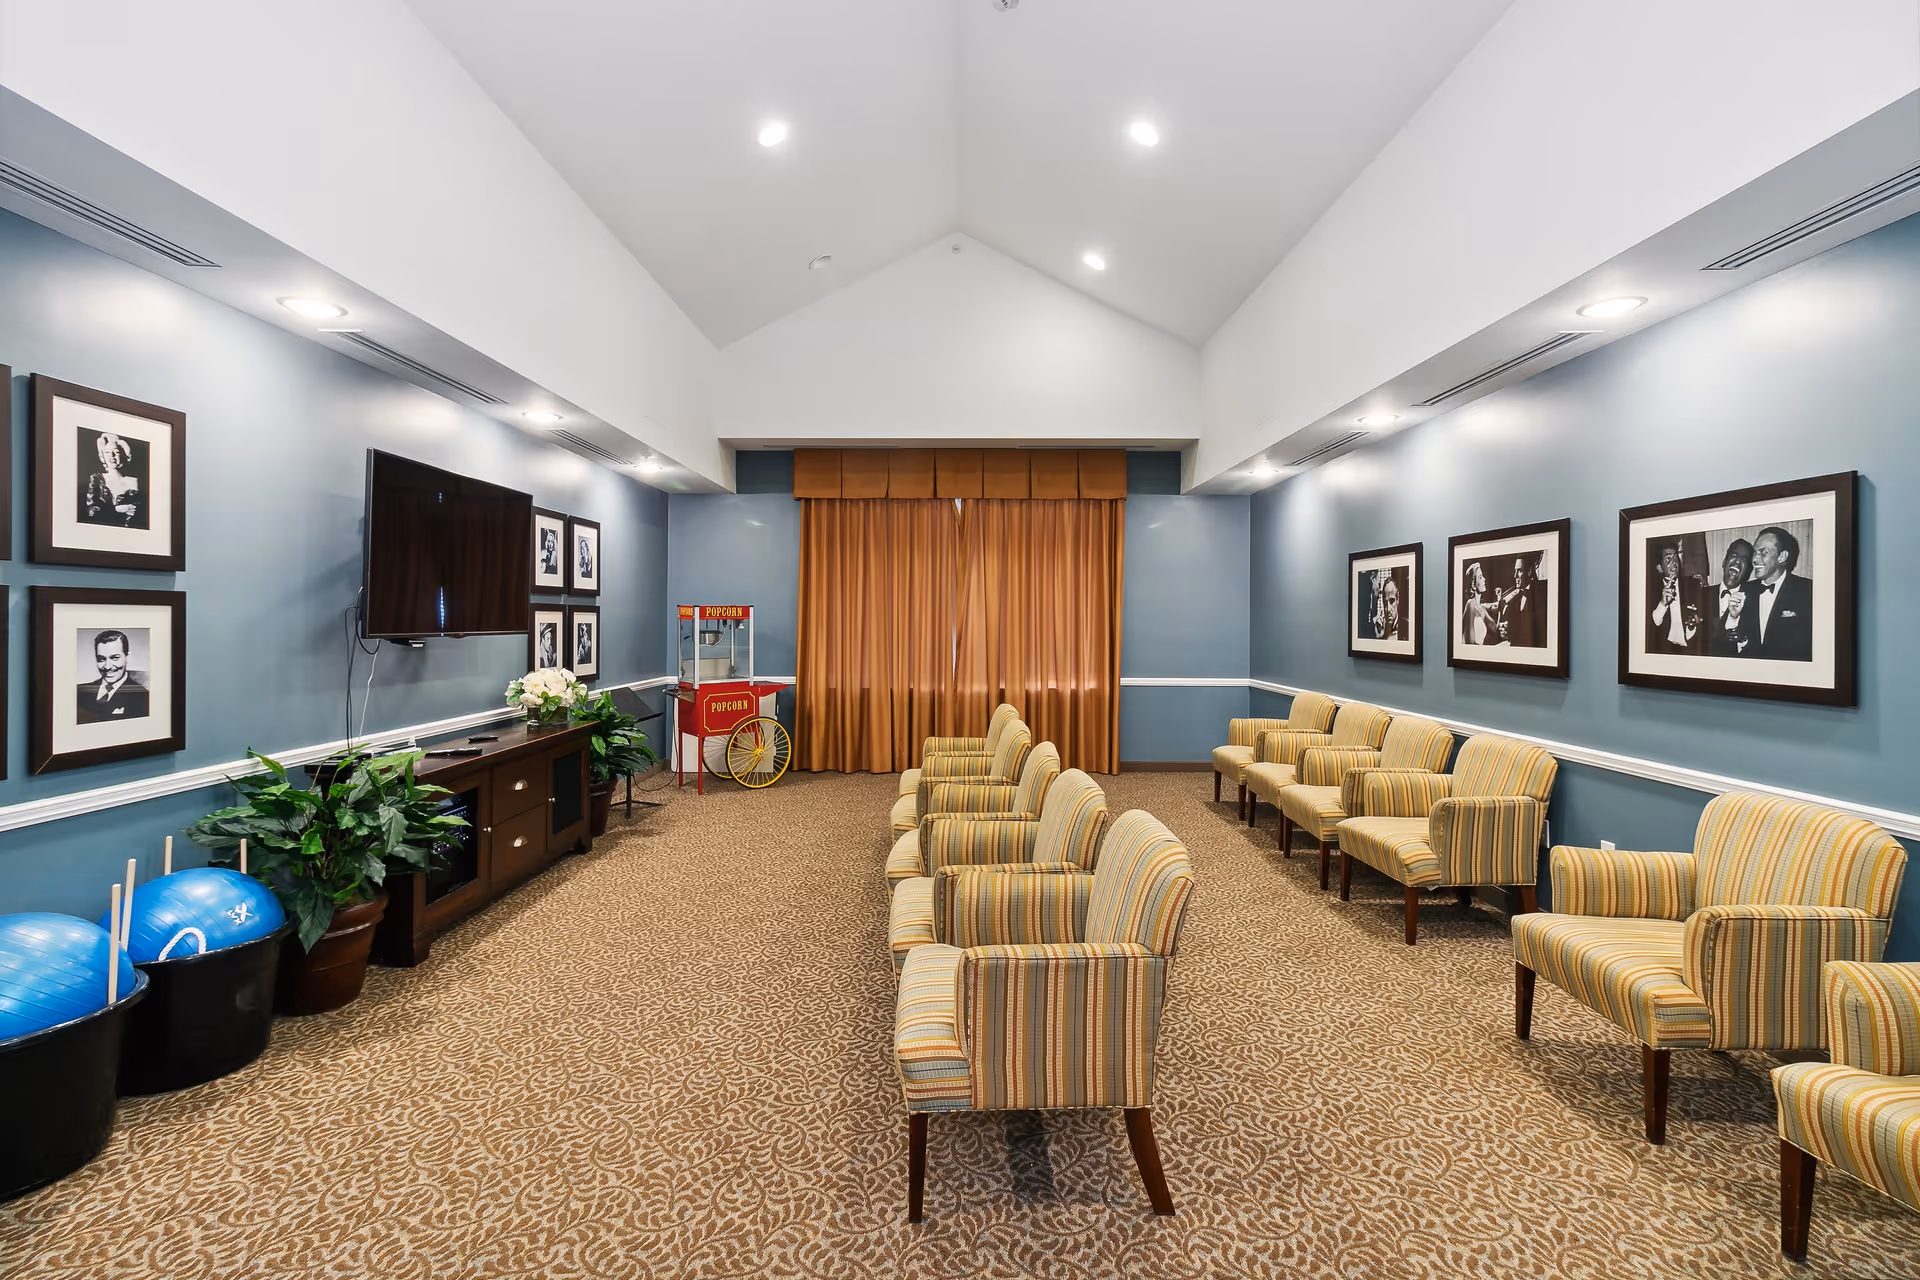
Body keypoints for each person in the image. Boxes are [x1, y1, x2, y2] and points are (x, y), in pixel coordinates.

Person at [1744, 526, 1813, 661]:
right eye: (1754, 552)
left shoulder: (1808, 591)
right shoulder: (1745, 590)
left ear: (1782, 556)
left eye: (1763, 552)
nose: (1755, 559)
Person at [76, 630, 150, 723]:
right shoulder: (78, 692)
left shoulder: (144, 698)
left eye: (115, 658)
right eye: (101, 659)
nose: (107, 666)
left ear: (128, 657)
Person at [79, 431, 146, 528]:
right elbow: (90, 512)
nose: (112, 455)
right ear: (102, 456)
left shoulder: (133, 481)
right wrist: (117, 509)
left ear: (124, 455)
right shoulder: (97, 479)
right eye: (107, 452)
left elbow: (140, 515)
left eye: (116, 452)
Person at [1647, 544, 1705, 654]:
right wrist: (1662, 604)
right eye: (1668, 558)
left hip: (1691, 648)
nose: (1674, 562)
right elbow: (1652, 626)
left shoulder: (1693, 584)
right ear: (1659, 568)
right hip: (1665, 650)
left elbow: (1702, 621)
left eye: (1675, 557)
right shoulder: (1650, 590)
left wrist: (1692, 627)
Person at [1706, 538, 1754, 658]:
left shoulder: (1754, 600)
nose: (1737, 561)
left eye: (1744, 559)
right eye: (1734, 555)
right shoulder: (1702, 594)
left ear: (1748, 571)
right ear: (1724, 562)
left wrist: (1743, 639)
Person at [1499, 553, 1547, 649]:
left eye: (1519, 571)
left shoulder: (1543, 591)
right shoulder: (1515, 599)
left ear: (1529, 571)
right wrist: (1505, 631)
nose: (1515, 576)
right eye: (1515, 571)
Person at [1460, 562, 1498, 646]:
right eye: (1480, 577)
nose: (1484, 579)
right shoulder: (1470, 604)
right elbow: (1469, 643)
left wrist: (1499, 599)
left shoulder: (1481, 609)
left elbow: (1496, 630)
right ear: (1473, 585)